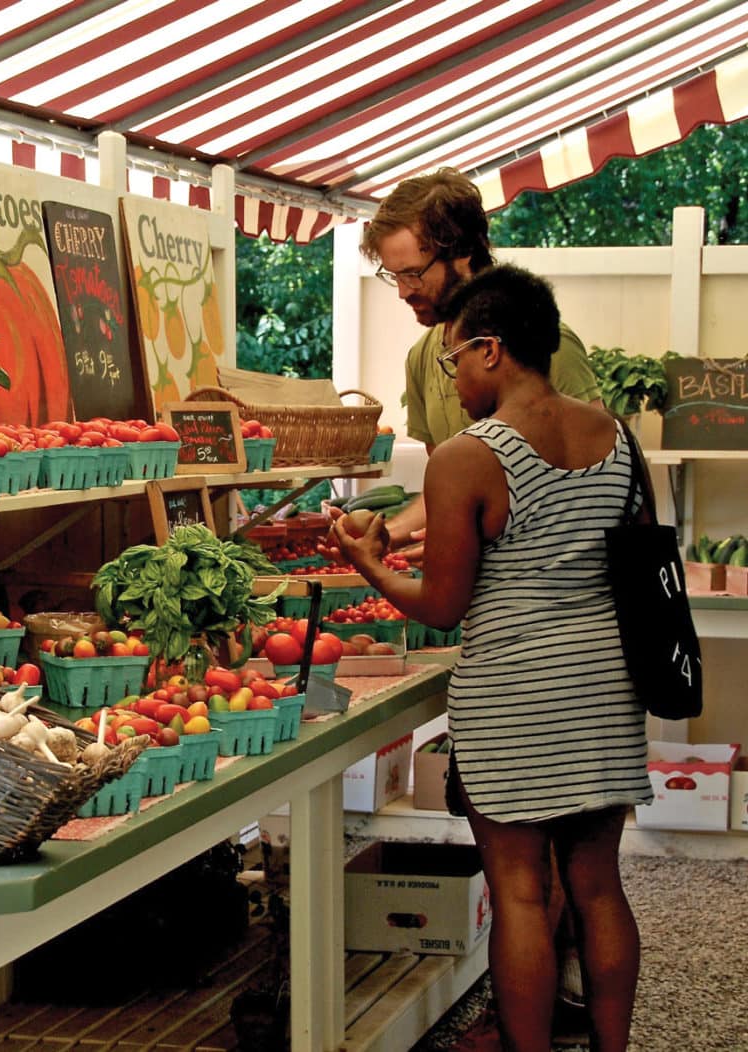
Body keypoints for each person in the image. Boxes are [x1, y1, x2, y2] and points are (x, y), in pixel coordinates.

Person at [331, 265, 651, 1052]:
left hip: (514, 694)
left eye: (452, 360)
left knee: (518, 895)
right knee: (599, 887)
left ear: (490, 351)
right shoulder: (614, 433)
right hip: (607, 687)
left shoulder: (469, 456)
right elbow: (634, 558)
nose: (451, 379)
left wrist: (371, 564)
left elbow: (442, 606)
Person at [359, 167, 602, 560]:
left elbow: (593, 487)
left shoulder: (544, 347)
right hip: (475, 611)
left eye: (413, 275)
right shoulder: (422, 359)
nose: (403, 292)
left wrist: (474, 541)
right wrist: (386, 536)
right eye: (394, 276)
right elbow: (449, 491)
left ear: (462, 253)